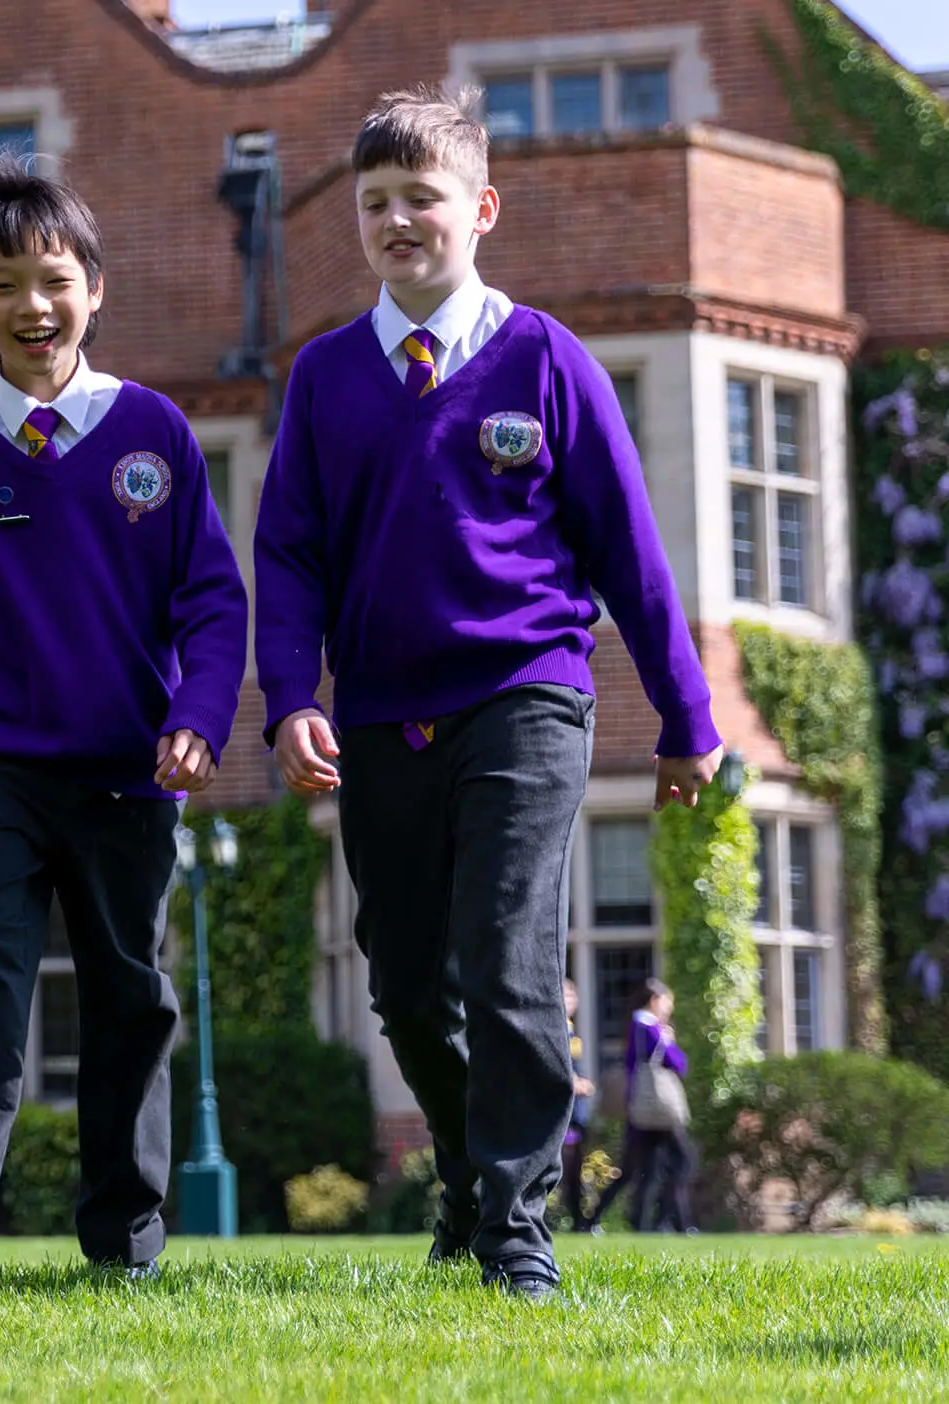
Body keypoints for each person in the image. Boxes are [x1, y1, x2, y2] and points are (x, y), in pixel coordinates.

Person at [255, 87, 723, 1300]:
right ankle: (469, 1174)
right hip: (373, 715)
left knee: (507, 952)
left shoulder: (546, 361)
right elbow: (290, 550)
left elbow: (630, 550)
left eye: (423, 197)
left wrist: (686, 716)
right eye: (376, 203)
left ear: (482, 210)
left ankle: (517, 1226)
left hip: (526, 692)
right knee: (404, 976)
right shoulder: (322, 378)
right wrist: (287, 695)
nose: (399, 219)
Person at [0, 156, 248, 1299]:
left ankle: (122, 1232)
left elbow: (211, 601)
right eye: (1, 285)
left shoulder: (156, 433)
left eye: (52, 278)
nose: (31, 306)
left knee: (132, 992)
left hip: (129, 770)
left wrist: (197, 716)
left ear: (94, 288)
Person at [589, 980, 694, 1233]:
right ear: (655, 1000)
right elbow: (678, 1064)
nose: (669, 1008)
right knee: (680, 1161)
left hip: (645, 1108)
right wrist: (668, 1040)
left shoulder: (638, 1026)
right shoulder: (647, 1027)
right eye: (667, 1002)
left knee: (646, 1168)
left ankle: (656, 1223)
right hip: (653, 1108)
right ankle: (665, 1223)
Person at [560, 977, 595, 1231]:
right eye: (565, 995)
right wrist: (572, 1082)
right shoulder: (554, 1029)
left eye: (572, 996)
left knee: (575, 1166)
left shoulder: (571, 1029)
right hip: (562, 1110)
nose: (569, 1001)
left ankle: (578, 1220)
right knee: (564, 1164)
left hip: (576, 1111)